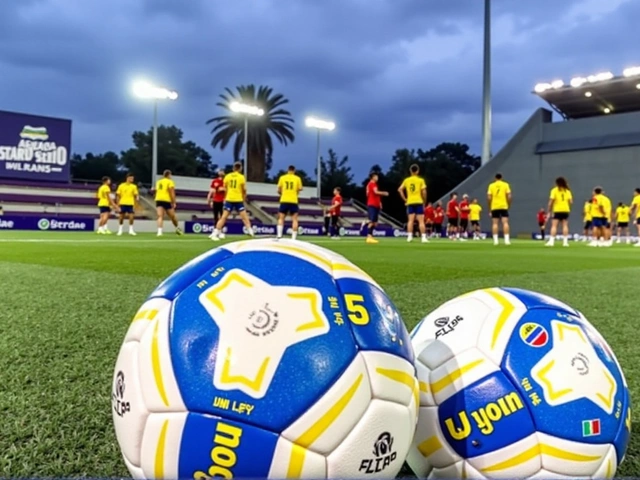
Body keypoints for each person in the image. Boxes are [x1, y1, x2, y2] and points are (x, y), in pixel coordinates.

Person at [210, 162, 253, 241]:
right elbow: (244, 189)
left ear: (233, 168)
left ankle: (215, 232)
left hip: (229, 199)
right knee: (244, 217)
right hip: (238, 199)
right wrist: (244, 197)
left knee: (223, 217)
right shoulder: (241, 177)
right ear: (240, 169)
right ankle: (250, 230)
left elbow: (225, 188)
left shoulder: (228, 176)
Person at [398, 164, 428, 243]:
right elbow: (424, 192)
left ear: (410, 171)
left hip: (410, 202)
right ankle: (423, 238)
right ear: (417, 171)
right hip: (418, 201)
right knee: (421, 221)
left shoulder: (406, 180)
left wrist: (405, 199)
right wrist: (424, 201)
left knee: (410, 221)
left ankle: (409, 237)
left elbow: (400, 189)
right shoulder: (420, 180)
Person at [276, 165, 303, 240]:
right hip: (293, 200)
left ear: (288, 170)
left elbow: (279, 189)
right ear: (294, 170)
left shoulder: (282, 178)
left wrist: (283, 193)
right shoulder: (297, 178)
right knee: (294, 219)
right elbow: (300, 188)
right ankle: (293, 237)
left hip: (284, 199)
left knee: (281, 218)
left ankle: (279, 235)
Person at [545, 176, 573, 247]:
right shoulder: (567, 191)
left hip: (557, 210)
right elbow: (571, 202)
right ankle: (565, 242)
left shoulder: (554, 190)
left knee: (554, 226)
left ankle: (551, 241)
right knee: (565, 225)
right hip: (565, 209)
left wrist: (549, 210)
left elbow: (551, 201)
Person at [154, 170, 183, 237]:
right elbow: (171, 192)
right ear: (169, 175)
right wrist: (174, 202)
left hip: (158, 199)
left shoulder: (158, 182)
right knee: (172, 216)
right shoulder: (170, 182)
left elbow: (156, 190)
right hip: (166, 200)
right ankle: (177, 228)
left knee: (160, 216)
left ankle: (159, 232)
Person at [487, 173, 512, 245]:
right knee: (505, 223)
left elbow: (489, 197)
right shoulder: (505, 184)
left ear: (495, 178)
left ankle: (496, 241)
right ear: (501, 178)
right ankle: (506, 240)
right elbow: (509, 196)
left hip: (494, 206)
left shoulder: (491, 185)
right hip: (503, 206)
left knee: (495, 223)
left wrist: (489, 207)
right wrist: (508, 204)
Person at [364, 172, 389, 244]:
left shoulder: (370, 185)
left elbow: (369, 194)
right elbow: (375, 192)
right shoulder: (372, 184)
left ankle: (370, 236)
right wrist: (384, 193)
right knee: (372, 221)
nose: (377, 178)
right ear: (373, 177)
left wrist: (379, 202)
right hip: (372, 205)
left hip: (375, 204)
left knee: (375, 223)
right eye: (376, 176)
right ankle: (369, 236)